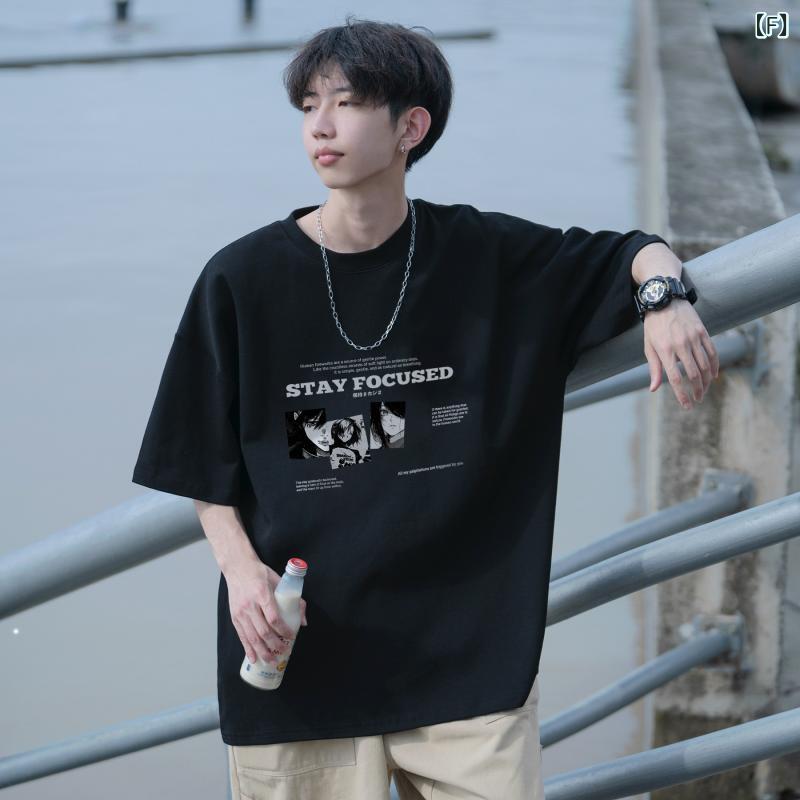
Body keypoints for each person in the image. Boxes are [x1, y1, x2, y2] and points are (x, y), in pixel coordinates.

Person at [131, 15, 719, 800]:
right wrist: (241, 575)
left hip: (469, 668)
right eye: (308, 105)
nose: (320, 126)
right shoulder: (241, 280)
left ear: (411, 127)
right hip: (299, 665)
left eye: (346, 103)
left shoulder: (486, 259)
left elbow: (629, 251)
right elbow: (202, 459)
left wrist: (664, 297)